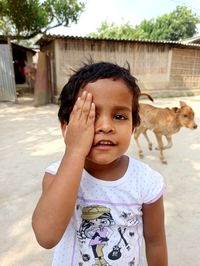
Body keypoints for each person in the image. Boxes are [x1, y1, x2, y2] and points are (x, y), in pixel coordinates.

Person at [32, 61, 168, 266]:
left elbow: (156, 242)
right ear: (66, 128)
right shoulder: (55, 175)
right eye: (91, 116)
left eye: (120, 116)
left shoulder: (146, 181)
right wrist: (75, 151)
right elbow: (46, 236)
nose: (105, 126)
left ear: (133, 126)